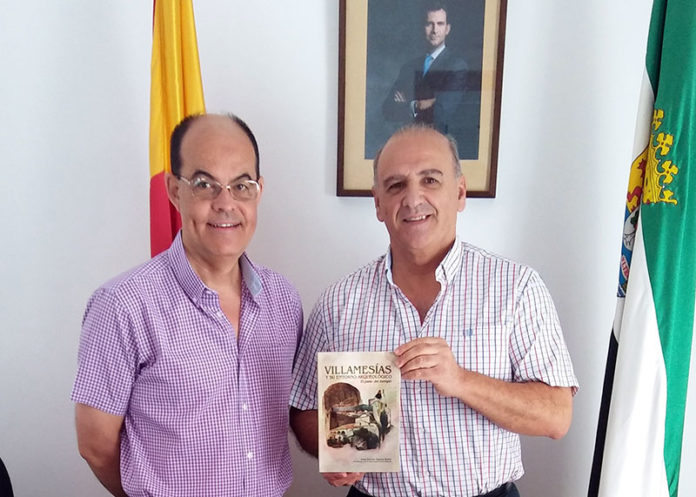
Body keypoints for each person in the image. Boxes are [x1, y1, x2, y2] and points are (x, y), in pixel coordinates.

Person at [290, 124, 578, 497]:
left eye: (430, 180)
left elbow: (556, 415)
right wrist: (334, 451)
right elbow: (302, 409)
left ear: (459, 192)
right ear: (378, 203)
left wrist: (461, 380)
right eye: (396, 185)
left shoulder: (516, 288)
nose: (413, 199)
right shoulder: (339, 302)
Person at [71, 113, 303, 497]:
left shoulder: (283, 300)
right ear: (174, 190)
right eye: (204, 184)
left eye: (241, 186)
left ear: (258, 191)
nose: (225, 204)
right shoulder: (122, 306)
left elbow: (290, 411)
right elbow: (95, 444)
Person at [382, 2, 480, 159]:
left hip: (438, 150)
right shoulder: (409, 67)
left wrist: (407, 104)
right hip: (408, 149)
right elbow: (388, 109)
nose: (434, 30)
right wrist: (419, 105)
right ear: (423, 27)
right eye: (430, 24)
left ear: (447, 29)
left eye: (440, 24)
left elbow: (441, 113)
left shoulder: (456, 66)